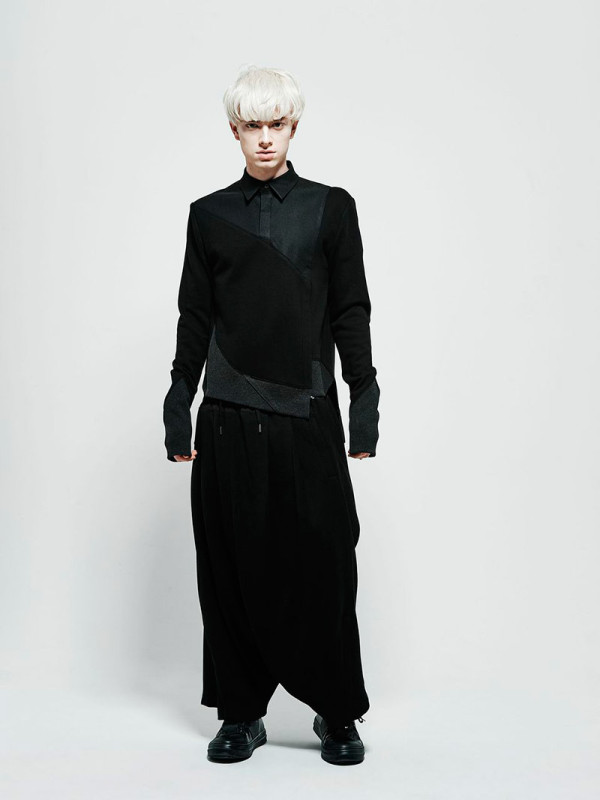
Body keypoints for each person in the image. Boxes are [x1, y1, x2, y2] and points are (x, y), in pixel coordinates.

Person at [163, 65, 380, 766]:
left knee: (325, 564)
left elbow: (350, 309)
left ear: (294, 126)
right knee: (230, 570)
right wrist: (177, 402)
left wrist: (365, 400)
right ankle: (240, 713)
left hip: (307, 414)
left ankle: (337, 711)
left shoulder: (330, 208)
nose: (265, 138)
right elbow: (194, 316)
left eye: (276, 124)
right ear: (234, 129)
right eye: (252, 125)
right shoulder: (209, 215)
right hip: (227, 417)